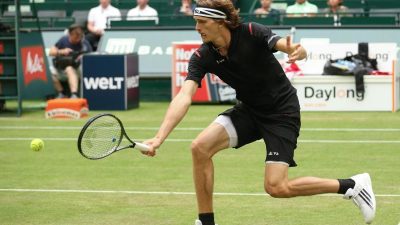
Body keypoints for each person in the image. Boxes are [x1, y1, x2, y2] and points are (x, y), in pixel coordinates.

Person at [142, 0, 376, 225]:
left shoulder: (252, 31)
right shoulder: (203, 56)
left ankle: (351, 186)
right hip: (249, 111)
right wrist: (160, 137)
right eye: (196, 21)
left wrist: (298, 51)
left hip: (281, 112)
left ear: (220, 21)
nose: (197, 28)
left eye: (202, 22)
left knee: (276, 187)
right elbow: (184, 95)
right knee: (199, 148)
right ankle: (206, 221)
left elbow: (286, 45)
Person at [49, 24, 92, 99]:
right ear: (70, 34)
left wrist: (83, 56)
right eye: (76, 36)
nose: (78, 38)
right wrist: (61, 51)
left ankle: (74, 94)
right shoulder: (63, 40)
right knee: (49, 72)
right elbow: (51, 52)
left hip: (78, 69)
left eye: (80, 36)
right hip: (61, 68)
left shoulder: (84, 43)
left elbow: (92, 56)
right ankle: (61, 93)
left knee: (69, 68)